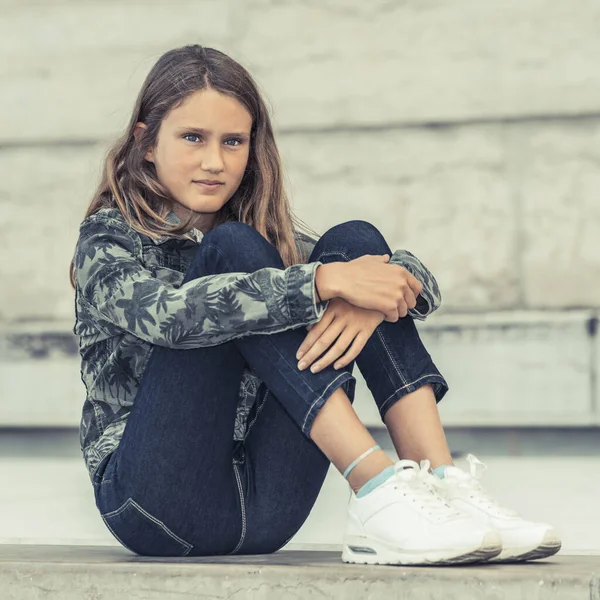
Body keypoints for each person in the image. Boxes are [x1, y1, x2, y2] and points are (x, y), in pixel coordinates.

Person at [70, 44, 560, 565]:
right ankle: (376, 487)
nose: (215, 161)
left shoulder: (270, 238)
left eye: (233, 142)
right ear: (146, 142)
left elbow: (416, 286)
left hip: (269, 509)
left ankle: (441, 486)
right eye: (193, 137)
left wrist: (361, 294)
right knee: (239, 252)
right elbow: (167, 315)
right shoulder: (108, 240)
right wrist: (324, 284)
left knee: (355, 242)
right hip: (154, 504)